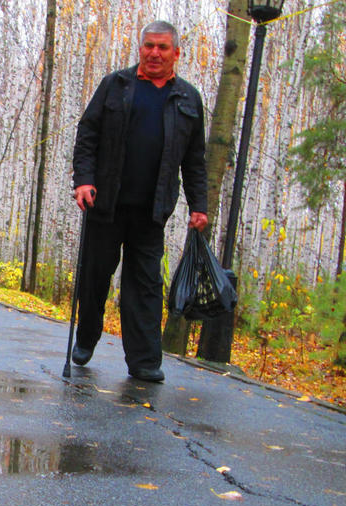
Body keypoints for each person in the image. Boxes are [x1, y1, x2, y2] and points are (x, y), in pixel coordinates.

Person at [70, 20, 208, 382]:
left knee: (145, 285)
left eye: (163, 47)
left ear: (176, 53)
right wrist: (83, 180)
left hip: (152, 211)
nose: (155, 53)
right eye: (149, 46)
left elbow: (195, 159)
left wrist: (199, 206)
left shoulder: (189, 99)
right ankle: (86, 337)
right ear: (140, 48)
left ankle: (145, 362)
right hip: (105, 205)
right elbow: (88, 134)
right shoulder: (115, 86)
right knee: (95, 277)